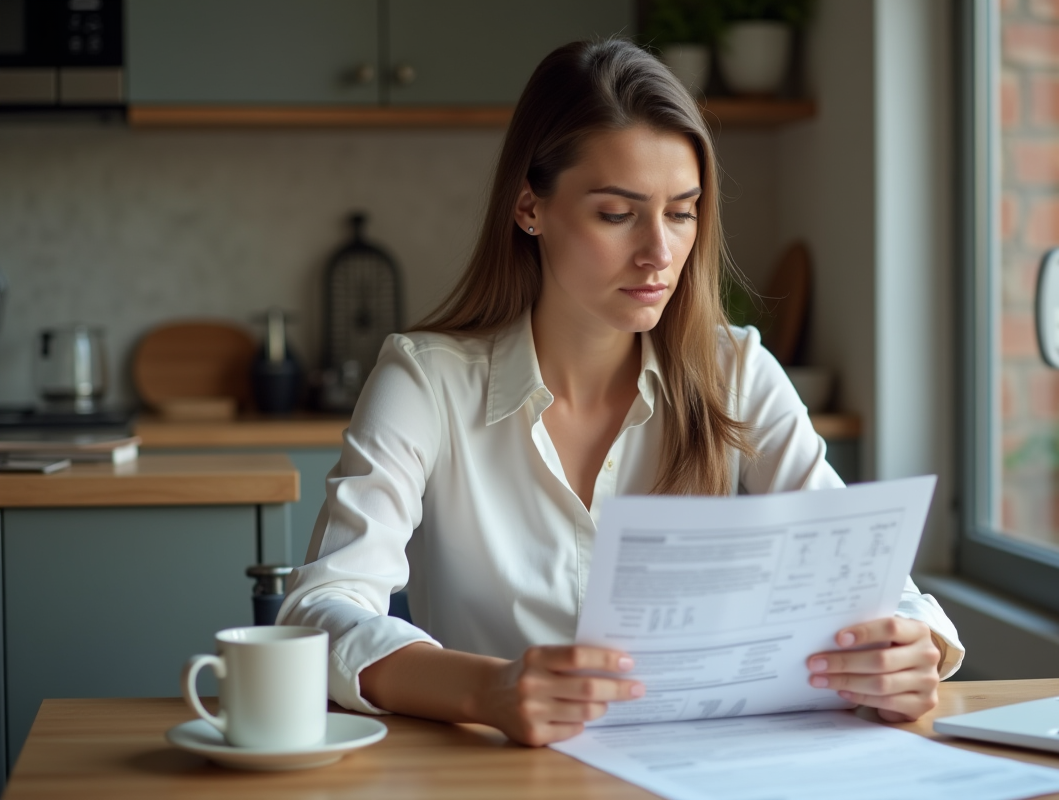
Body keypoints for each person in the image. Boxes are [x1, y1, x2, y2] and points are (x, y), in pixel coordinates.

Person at [280, 38, 964, 747]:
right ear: (529, 208)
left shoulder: (737, 372)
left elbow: (865, 578)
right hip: (501, 779)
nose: (660, 254)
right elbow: (320, 609)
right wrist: (488, 688)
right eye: (617, 213)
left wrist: (914, 648)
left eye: (682, 212)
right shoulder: (426, 380)